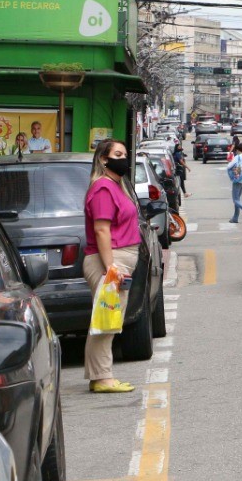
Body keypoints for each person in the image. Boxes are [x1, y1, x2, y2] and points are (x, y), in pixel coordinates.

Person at [82, 139, 140, 394]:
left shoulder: (117, 186)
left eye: (125, 154)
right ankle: (101, 377)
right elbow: (101, 230)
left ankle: (101, 375)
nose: (123, 158)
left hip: (119, 258)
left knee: (110, 318)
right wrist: (111, 268)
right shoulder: (104, 188)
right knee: (106, 319)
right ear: (103, 159)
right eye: (117, 154)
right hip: (110, 260)